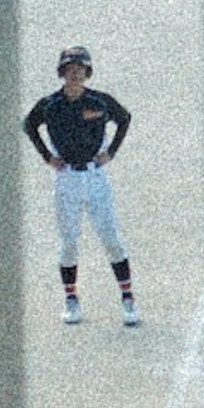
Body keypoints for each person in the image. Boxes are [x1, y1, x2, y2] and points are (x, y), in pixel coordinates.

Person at [25, 45, 138, 326]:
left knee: (111, 238)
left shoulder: (99, 102)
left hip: (95, 176)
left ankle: (127, 298)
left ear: (87, 73)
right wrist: (47, 156)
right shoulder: (51, 105)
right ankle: (71, 299)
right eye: (69, 70)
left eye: (80, 70)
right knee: (69, 243)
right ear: (62, 73)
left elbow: (124, 118)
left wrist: (111, 152)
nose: (74, 75)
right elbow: (29, 124)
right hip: (67, 179)